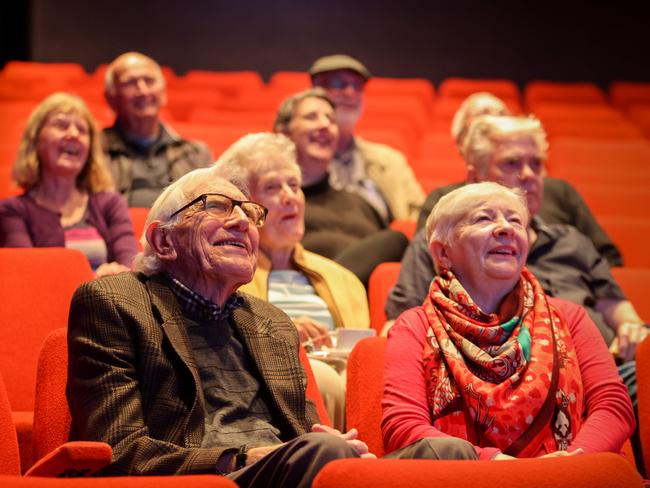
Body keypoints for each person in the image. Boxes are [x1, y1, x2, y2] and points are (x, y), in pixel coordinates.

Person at [66, 164, 377, 485]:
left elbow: (305, 436)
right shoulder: (114, 303)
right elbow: (118, 449)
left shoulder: (272, 323)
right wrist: (237, 459)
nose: (243, 221)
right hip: (201, 479)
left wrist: (340, 452)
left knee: (427, 452)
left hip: (286, 471)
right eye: (215, 205)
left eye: (251, 212)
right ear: (163, 240)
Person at [382, 182, 636, 460]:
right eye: (483, 218)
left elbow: (612, 406)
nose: (507, 229)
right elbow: (402, 426)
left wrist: (572, 462)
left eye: (516, 221)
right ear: (443, 253)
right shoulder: (414, 327)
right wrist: (497, 465)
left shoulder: (571, 317)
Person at [387, 115, 646, 364]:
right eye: (512, 163)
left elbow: (623, 316)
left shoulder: (573, 241)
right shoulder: (443, 242)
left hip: (601, 368)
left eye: (536, 164)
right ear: (474, 177)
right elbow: (400, 327)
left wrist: (632, 330)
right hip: (490, 380)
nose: (529, 174)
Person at [217, 131, 371, 429]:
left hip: (343, 379)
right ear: (243, 205)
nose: (289, 196)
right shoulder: (229, 275)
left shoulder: (343, 278)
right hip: (279, 387)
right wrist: (285, 333)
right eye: (272, 187)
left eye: (294, 185)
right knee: (324, 379)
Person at [417, 92, 622, 265]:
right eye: (478, 130)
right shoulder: (444, 201)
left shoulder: (561, 196)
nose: (527, 175)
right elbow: (428, 264)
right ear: (462, 145)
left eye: (501, 121)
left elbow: (606, 261)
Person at [274, 87, 408, 286]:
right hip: (304, 296)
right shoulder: (277, 202)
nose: (325, 125)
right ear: (284, 134)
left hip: (365, 304)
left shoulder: (360, 203)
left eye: (331, 119)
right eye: (312, 117)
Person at [0, 92, 137, 276]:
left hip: (108, 301)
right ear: (36, 141)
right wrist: (95, 279)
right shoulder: (12, 211)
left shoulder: (110, 203)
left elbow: (130, 265)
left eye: (82, 130)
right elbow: (26, 276)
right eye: (61, 125)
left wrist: (118, 274)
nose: (73, 134)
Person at [309, 54, 424, 221]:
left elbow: (419, 216)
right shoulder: (293, 159)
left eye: (357, 86)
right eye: (338, 84)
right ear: (315, 92)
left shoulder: (391, 160)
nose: (350, 93)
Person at [102, 51, 212, 207]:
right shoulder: (95, 152)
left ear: (163, 93)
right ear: (111, 98)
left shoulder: (195, 153)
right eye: (131, 83)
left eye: (149, 81)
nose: (143, 91)